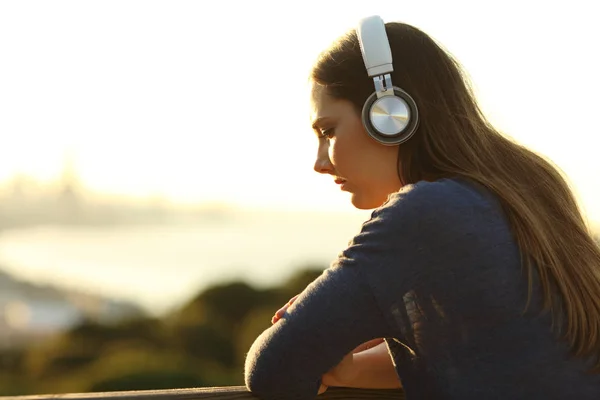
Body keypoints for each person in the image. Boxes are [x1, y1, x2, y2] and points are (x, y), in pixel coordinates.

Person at [244, 15, 600, 399]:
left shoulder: (424, 213)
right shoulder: (534, 183)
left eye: (328, 131)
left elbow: (272, 369)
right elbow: (492, 348)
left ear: (389, 115)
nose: (320, 161)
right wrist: (351, 367)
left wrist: (310, 327)